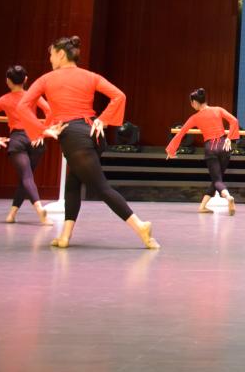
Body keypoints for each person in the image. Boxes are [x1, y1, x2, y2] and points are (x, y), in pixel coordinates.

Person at [18, 36, 159, 249]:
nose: (50, 58)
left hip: (74, 137)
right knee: (72, 185)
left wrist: (42, 130)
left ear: (61, 54)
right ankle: (65, 237)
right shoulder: (90, 76)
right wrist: (103, 119)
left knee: (101, 187)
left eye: (51, 54)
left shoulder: (47, 79)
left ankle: (140, 226)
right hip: (93, 134)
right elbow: (119, 96)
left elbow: (23, 106)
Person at [0, 65, 51, 225]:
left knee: (26, 177)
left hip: (17, 139)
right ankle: (12, 214)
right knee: (27, 178)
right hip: (34, 139)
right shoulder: (32, 96)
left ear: (8, 81)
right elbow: (49, 111)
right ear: (26, 79)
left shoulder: (4, 100)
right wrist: (42, 132)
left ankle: (39, 210)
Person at [166, 88, 240, 215]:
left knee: (217, 180)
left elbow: (181, 133)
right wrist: (229, 138)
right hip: (224, 146)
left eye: (191, 103)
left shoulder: (195, 117)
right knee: (217, 179)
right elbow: (234, 121)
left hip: (211, 148)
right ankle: (202, 206)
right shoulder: (218, 109)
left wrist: (171, 150)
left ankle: (228, 197)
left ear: (195, 102)